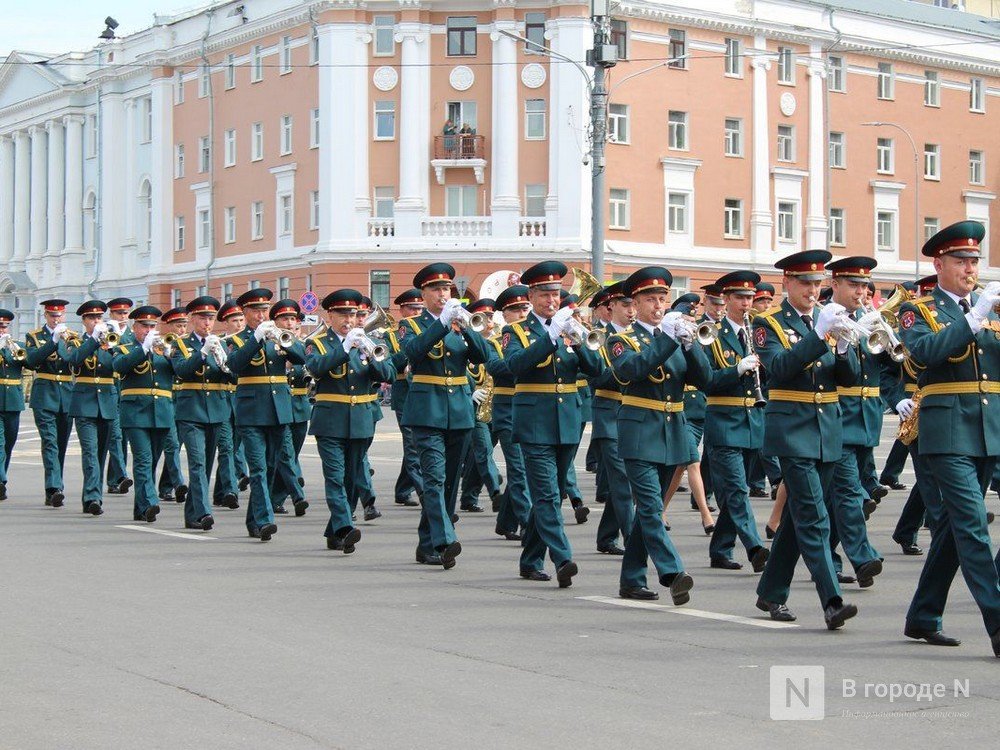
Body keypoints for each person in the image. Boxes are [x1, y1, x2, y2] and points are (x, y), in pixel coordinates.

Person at [897, 220, 1000, 655]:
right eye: (961, 260)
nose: (970, 268)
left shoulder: (990, 307)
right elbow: (924, 354)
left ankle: (923, 615)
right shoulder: (918, 311)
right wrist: (974, 318)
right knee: (973, 527)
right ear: (938, 263)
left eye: (974, 260)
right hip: (945, 432)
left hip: (987, 431)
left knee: (954, 532)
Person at [752, 250, 861, 629]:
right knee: (814, 517)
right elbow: (779, 369)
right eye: (805, 284)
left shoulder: (826, 319)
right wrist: (818, 336)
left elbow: (848, 379)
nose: (813, 291)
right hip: (793, 432)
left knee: (801, 517)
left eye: (818, 284)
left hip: (827, 429)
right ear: (787, 283)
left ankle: (771, 592)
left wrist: (845, 346)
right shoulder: (767, 323)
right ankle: (832, 601)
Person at [606, 266, 708, 603]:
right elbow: (632, 370)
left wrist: (692, 346)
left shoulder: (674, 337)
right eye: (650, 299)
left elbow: (705, 379)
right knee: (650, 508)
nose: (659, 305)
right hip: (639, 431)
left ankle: (631, 579)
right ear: (635, 304)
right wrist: (666, 338)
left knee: (649, 511)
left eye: (663, 298)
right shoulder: (621, 339)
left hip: (671, 432)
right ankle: (673, 572)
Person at [501, 261, 603, 587]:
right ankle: (563, 559)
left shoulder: (570, 327)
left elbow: (597, 368)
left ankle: (530, 558)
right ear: (531, 295)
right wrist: (550, 336)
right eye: (545, 294)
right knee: (545, 496)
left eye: (556, 294)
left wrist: (579, 336)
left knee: (554, 493)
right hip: (534, 423)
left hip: (567, 421)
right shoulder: (516, 331)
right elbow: (515, 365)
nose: (552, 300)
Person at [401, 263, 492, 569]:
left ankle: (427, 544)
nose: (443, 295)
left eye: (447, 290)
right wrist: (440, 323)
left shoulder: (459, 325)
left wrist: (468, 327)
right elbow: (409, 353)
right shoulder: (412, 325)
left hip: (460, 413)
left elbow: (485, 357)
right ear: (423, 294)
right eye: (436, 290)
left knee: (451, 481)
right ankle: (444, 539)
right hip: (427, 412)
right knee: (434, 479)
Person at [306, 289, 395, 552]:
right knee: (335, 477)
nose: (349, 319)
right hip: (330, 419)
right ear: (329, 315)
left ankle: (334, 532)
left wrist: (370, 354)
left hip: (360, 421)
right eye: (343, 314)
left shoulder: (368, 342)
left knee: (352, 478)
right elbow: (315, 367)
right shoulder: (319, 343)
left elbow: (389, 374)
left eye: (354, 314)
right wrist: (345, 348)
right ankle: (345, 527)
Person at [225, 288, 308, 542]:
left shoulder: (278, 337)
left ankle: (254, 519)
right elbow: (234, 365)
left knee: (273, 467)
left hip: (279, 410)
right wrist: (256, 339)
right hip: (251, 412)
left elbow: (302, 358)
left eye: (264, 310)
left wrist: (286, 341)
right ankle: (264, 520)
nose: (261, 315)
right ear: (245, 313)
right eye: (255, 311)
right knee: (259, 469)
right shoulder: (237, 340)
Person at [822, 257, 885, 588]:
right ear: (835, 285)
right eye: (853, 285)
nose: (861, 292)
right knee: (849, 493)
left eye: (864, 286)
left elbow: (890, 366)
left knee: (837, 500)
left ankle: (827, 556)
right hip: (838, 417)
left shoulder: (869, 318)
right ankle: (863, 558)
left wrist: (885, 331)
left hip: (867, 418)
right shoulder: (827, 319)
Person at [701, 271, 769, 573]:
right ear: (725, 300)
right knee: (738, 490)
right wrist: (737, 369)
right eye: (740, 298)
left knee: (733, 492)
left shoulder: (757, 333)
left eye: (749, 298)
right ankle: (755, 547)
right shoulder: (711, 335)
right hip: (724, 422)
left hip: (752, 421)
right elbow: (708, 381)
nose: (746, 303)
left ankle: (720, 548)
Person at [170, 296, 233, 531]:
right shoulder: (181, 344)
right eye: (203, 318)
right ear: (192, 319)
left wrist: (226, 362)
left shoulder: (221, 344)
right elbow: (183, 371)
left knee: (205, 466)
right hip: (191, 411)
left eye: (210, 318)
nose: (207, 323)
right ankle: (205, 512)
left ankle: (191, 515)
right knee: (197, 463)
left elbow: (232, 376)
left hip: (216, 410)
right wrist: (202, 353)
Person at [112, 306, 177, 523]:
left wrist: (170, 356)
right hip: (135, 413)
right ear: (135, 327)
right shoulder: (125, 347)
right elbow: (119, 366)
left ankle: (140, 509)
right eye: (144, 326)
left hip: (161, 412)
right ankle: (150, 502)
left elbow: (182, 373)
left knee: (151, 462)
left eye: (152, 326)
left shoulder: (164, 350)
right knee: (143, 459)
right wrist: (143, 350)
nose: (148, 330)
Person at [58, 300, 119, 516]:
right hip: (84, 404)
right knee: (90, 453)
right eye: (92, 318)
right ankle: (93, 497)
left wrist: (115, 345)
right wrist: (93, 340)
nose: (97, 321)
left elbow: (121, 365)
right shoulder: (76, 342)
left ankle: (94, 496)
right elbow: (73, 360)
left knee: (101, 453)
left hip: (107, 404)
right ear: (84, 321)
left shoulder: (111, 343)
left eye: (99, 318)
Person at [591, 281, 636, 556]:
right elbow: (596, 376)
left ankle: (606, 536)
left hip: (634, 414)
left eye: (633, 305)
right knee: (621, 479)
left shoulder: (640, 336)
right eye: (625, 305)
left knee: (626, 481)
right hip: (609, 412)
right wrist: (629, 370)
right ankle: (633, 538)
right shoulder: (599, 337)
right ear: (611, 307)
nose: (631, 311)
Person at [486, 285, 533, 540]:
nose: (522, 313)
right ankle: (526, 522)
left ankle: (506, 521)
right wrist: (525, 359)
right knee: (519, 469)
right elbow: (496, 367)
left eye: (525, 307)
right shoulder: (496, 341)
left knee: (523, 468)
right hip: (506, 411)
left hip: (531, 412)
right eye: (515, 310)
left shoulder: (535, 338)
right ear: (505, 315)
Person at [23, 299, 74, 507]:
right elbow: (31, 361)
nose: (56, 319)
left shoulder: (72, 337)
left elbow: (75, 360)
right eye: (53, 315)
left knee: (61, 445)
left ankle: (56, 487)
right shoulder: (34, 337)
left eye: (60, 315)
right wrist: (52, 341)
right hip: (44, 394)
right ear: (45, 316)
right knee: (50, 442)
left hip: (66, 396)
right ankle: (53, 487)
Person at [458, 297, 503, 513]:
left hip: (494, 407)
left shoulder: (499, 341)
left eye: (491, 316)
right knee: (484, 451)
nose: (489, 321)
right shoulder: (467, 346)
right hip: (474, 409)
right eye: (484, 317)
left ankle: (468, 497)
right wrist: (469, 392)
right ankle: (496, 492)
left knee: (479, 456)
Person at [268, 299, 310, 517]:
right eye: (285, 319)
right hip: (279, 405)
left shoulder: (300, 346)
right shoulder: (269, 343)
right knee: (284, 454)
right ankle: (297, 495)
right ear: (275, 322)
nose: (289, 323)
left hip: (300, 406)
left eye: (293, 319)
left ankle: (275, 498)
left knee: (290, 456)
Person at [389, 288, 424, 507]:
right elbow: (395, 362)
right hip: (404, 392)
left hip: (423, 392)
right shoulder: (391, 334)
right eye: (412, 308)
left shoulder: (426, 329)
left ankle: (403, 489)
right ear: (402, 310)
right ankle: (423, 491)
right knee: (412, 444)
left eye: (420, 308)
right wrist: (413, 348)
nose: (416, 312)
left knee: (415, 444)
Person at [211, 300, 244, 509]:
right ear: (226, 323)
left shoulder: (249, 343)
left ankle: (220, 493)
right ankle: (231, 489)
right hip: (223, 400)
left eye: (241, 320)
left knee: (233, 449)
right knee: (226, 447)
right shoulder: (220, 344)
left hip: (241, 401)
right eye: (235, 320)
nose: (239, 324)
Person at [156, 307, 189, 505]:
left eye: (184, 325)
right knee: (171, 444)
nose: (182, 330)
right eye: (178, 326)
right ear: (169, 326)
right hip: (169, 398)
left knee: (176, 444)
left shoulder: (187, 345)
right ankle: (174, 484)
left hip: (184, 397)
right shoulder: (161, 344)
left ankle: (167, 486)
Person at [104, 297, 134, 495]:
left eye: (125, 313)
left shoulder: (134, 335)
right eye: (118, 313)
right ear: (111, 315)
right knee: (115, 435)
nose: (122, 317)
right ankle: (119, 476)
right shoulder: (105, 334)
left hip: (128, 389)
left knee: (123, 436)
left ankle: (114, 478)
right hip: (110, 388)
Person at [0, 309, 25, 501]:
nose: (2, 330)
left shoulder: (17, 345)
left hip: (13, 402)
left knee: (9, 444)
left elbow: (30, 361)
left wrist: (10, 349)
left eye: (5, 326)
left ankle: (2, 479)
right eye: (0, 326)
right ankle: (0, 481)